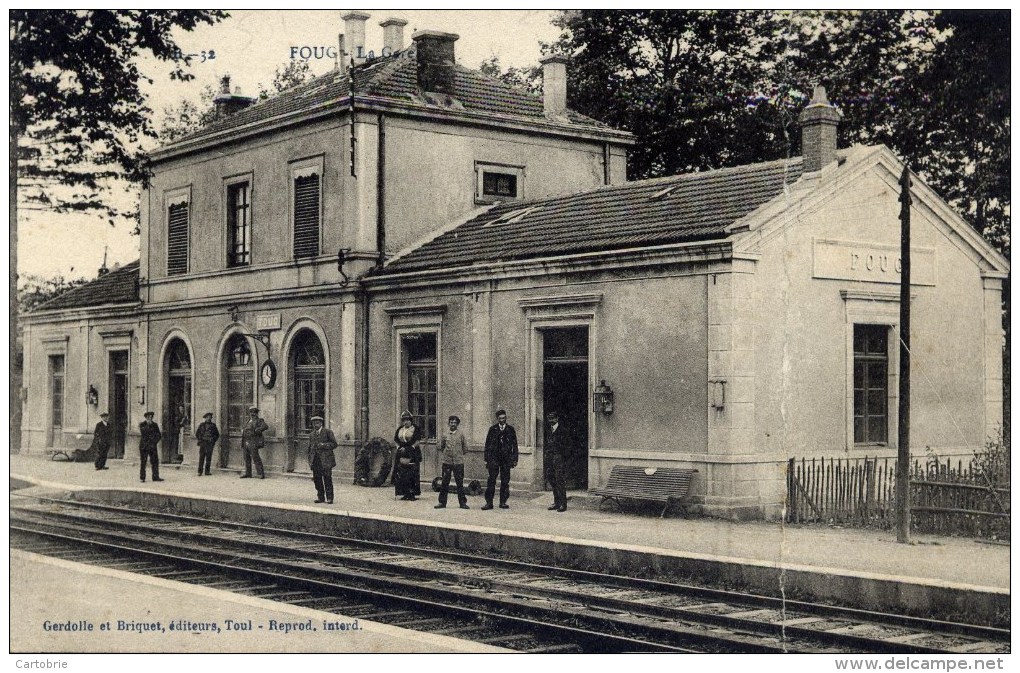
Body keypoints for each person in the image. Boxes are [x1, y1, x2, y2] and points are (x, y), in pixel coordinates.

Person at [482, 409, 518, 510]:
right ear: (497, 419)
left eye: (504, 418)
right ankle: (489, 503)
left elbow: (514, 445)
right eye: (500, 418)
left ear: (506, 418)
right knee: (491, 480)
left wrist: (515, 459)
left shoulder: (511, 429)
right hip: (494, 458)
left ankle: (503, 502)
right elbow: (487, 445)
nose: (502, 420)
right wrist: (486, 459)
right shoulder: (492, 429)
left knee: (505, 481)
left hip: (506, 459)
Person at [435, 415, 469, 510]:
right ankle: (442, 502)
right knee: (445, 483)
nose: (453, 424)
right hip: (447, 463)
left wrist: (458, 455)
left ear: (457, 424)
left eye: (455, 423)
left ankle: (462, 503)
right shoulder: (445, 435)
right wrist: (447, 455)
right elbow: (441, 447)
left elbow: (465, 448)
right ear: (448, 423)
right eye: (451, 422)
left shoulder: (461, 435)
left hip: (458, 463)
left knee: (460, 483)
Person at [392, 410, 422, 500]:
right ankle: (405, 493)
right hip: (401, 453)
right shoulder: (400, 429)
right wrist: (398, 448)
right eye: (404, 420)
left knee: (412, 473)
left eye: (408, 420)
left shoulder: (415, 428)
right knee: (402, 473)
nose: (406, 422)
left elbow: (417, 441)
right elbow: (396, 440)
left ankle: (412, 494)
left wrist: (409, 448)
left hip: (412, 453)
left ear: (411, 420)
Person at [307, 416, 338, 504]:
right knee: (317, 479)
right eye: (313, 423)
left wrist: (323, 445)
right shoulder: (312, 434)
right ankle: (320, 497)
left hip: (326, 460)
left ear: (321, 423)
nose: (315, 425)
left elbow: (334, 444)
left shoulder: (328, 432)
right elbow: (310, 448)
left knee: (327, 479)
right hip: (315, 461)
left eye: (317, 423)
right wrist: (310, 459)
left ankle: (330, 498)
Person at [544, 411, 568, 512]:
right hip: (550, 458)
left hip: (559, 458)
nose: (551, 421)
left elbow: (567, 445)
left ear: (557, 419)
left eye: (552, 418)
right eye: (549, 419)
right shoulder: (549, 430)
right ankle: (556, 502)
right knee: (551, 479)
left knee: (559, 480)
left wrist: (562, 457)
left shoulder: (563, 430)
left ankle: (563, 504)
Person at [240, 406, 268, 479]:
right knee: (246, 458)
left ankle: (261, 474)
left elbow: (265, 426)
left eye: (254, 412)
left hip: (253, 442)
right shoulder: (248, 421)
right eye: (251, 412)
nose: (252, 414)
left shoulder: (259, 421)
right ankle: (248, 473)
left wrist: (257, 430)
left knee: (256, 458)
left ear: (257, 414)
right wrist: (243, 431)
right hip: (245, 441)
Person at [139, 411, 163, 483]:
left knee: (155, 461)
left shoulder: (155, 425)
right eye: (148, 417)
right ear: (146, 417)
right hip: (144, 446)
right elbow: (144, 433)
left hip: (152, 446)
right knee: (143, 462)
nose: (150, 418)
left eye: (151, 417)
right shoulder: (142, 424)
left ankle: (155, 477)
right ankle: (142, 477)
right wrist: (148, 425)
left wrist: (154, 442)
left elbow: (159, 435)